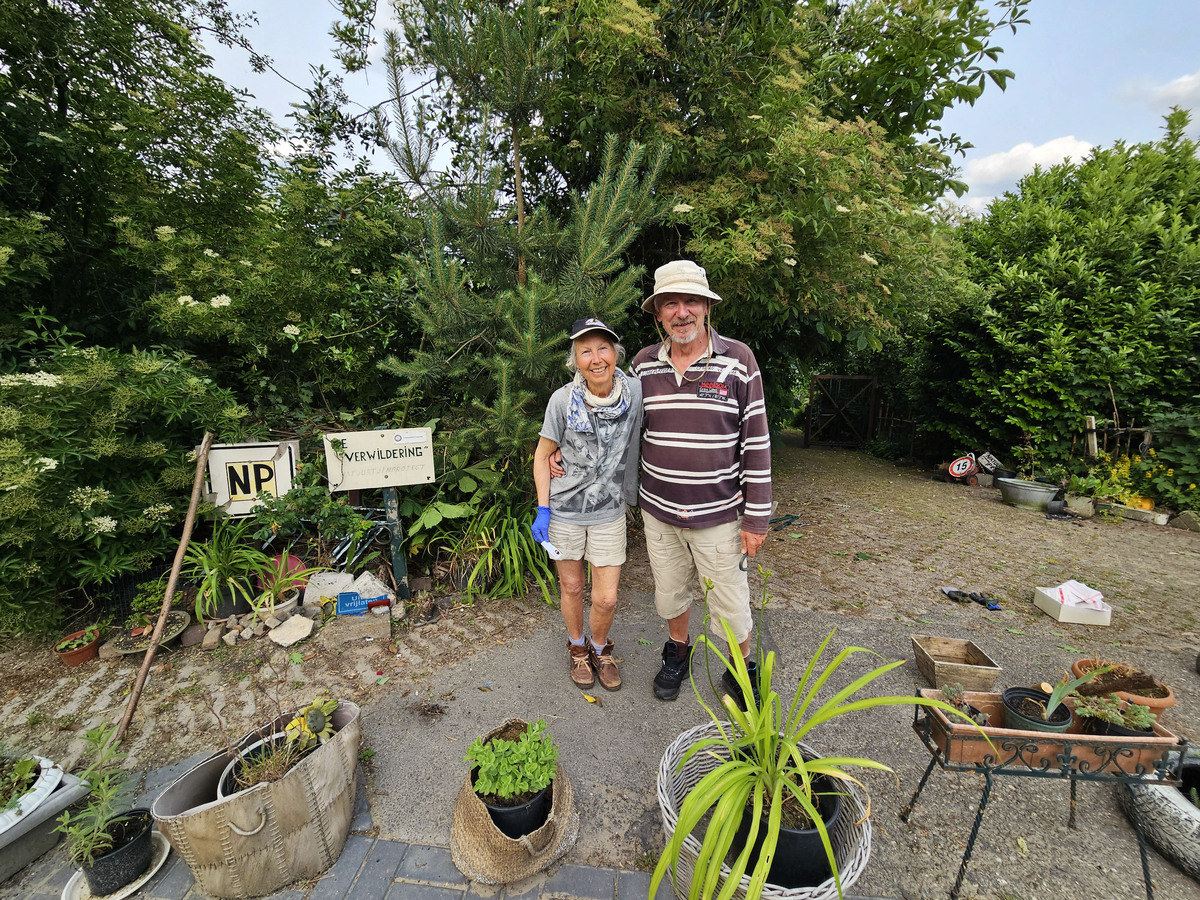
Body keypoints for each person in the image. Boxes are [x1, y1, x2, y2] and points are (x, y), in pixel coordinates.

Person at [631, 260, 772, 702]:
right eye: (670, 303)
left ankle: (740, 671)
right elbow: (615, 426)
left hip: (719, 516)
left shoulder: (739, 359)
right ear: (658, 314)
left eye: (691, 301)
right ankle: (678, 652)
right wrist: (559, 447)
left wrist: (757, 517)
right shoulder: (642, 366)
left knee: (730, 604)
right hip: (659, 512)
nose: (682, 312)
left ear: (707, 307)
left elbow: (757, 441)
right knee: (670, 595)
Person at [532, 317, 643, 691]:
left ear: (616, 353)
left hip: (609, 512)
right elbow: (542, 455)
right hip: (565, 512)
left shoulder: (635, 393)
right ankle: (578, 648)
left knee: (607, 598)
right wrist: (542, 509)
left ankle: (600, 648)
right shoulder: (562, 400)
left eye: (603, 348)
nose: (596, 359)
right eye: (586, 351)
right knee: (572, 586)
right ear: (575, 360)